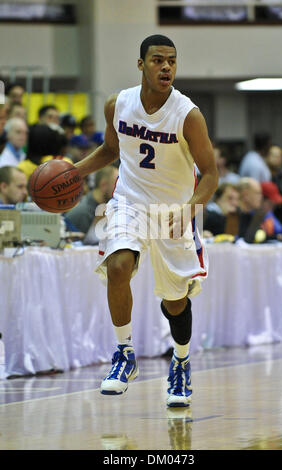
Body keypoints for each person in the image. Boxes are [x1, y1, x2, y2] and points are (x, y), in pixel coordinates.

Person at [74, 35, 218, 407]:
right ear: (141, 64)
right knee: (118, 265)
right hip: (129, 203)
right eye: (157, 60)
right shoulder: (117, 104)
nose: (166, 66)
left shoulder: (188, 114)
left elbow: (212, 174)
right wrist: (73, 172)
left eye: (172, 60)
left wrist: (190, 209)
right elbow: (111, 149)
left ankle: (181, 362)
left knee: (175, 302)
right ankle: (124, 353)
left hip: (173, 212)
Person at [65, 165, 119, 234]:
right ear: (103, 185)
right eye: (117, 185)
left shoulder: (108, 207)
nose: (120, 190)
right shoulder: (82, 213)